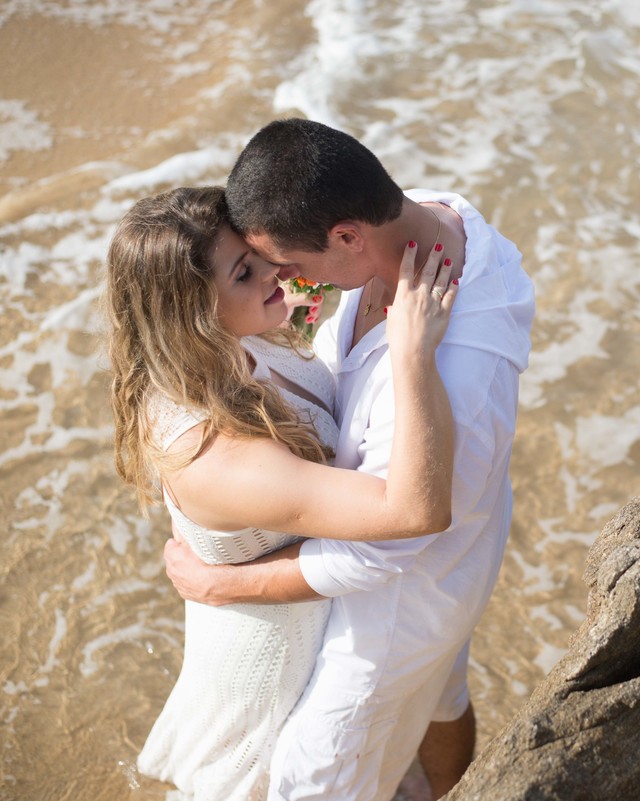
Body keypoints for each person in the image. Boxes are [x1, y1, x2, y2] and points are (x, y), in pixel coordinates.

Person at [162, 118, 535, 801]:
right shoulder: (423, 217)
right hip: (461, 553)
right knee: (441, 698)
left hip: (401, 601)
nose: (284, 278)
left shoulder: (451, 374)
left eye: (286, 262)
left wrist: (223, 584)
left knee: (312, 772)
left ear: (345, 237)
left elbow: (385, 548)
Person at [105, 185, 458, 801]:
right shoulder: (216, 452)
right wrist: (412, 355)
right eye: (246, 271)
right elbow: (416, 510)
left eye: (260, 256)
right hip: (271, 665)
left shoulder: (232, 342)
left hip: (311, 618)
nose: (276, 272)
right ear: (193, 312)